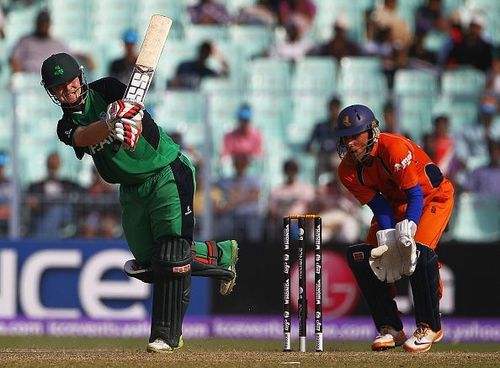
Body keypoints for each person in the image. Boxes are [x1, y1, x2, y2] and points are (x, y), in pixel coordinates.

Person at [40, 52, 238, 353]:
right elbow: (81, 137)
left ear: (81, 76)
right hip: (131, 189)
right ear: (51, 92)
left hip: (166, 171)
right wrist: (109, 125)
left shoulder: (105, 88)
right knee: (148, 260)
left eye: (70, 82)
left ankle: (167, 336)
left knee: (171, 251)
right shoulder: (65, 125)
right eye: (59, 87)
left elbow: (134, 108)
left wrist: (128, 118)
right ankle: (222, 254)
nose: (68, 89)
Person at [334, 104, 454, 352]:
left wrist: (408, 227)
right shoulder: (346, 170)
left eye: (355, 135)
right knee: (364, 258)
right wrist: (388, 237)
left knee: (418, 252)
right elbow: (380, 206)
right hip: (393, 206)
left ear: (371, 131)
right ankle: (391, 327)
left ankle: (430, 326)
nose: (350, 143)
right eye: (346, 137)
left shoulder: (394, 148)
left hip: (431, 198)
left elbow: (415, 195)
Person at [10, 10, 94, 74]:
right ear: (36, 24)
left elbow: (70, 55)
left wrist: (86, 57)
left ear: (49, 25)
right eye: (41, 23)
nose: (43, 27)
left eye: (45, 24)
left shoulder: (57, 42)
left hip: (52, 80)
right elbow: (14, 59)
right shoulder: (25, 41)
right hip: (30, 79)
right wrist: (18, 75)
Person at [24, 152, 83, 238]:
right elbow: (30, 199)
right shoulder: (37, 185)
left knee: (56, 212)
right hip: (43, 214)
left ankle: (45, 240)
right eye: (51, 164)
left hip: (65, 213)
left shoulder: (67, 183)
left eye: (55, 164)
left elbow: (82, 192)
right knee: (51, 214)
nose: (53, 167)